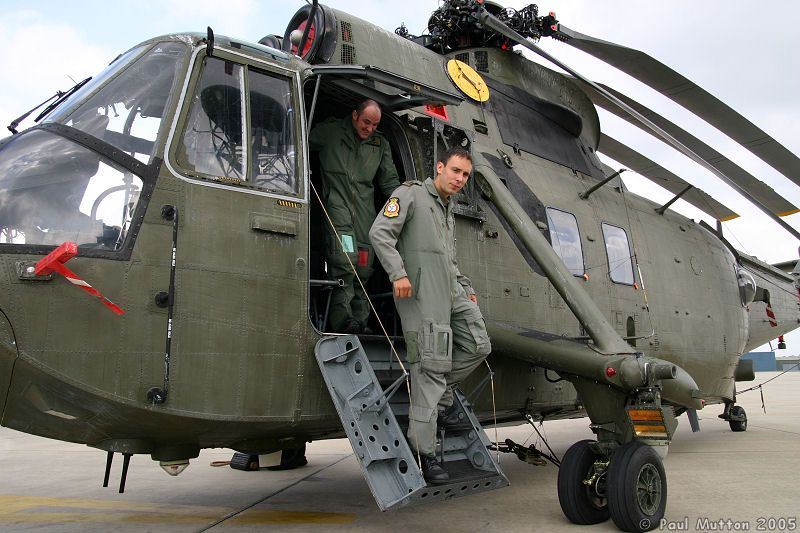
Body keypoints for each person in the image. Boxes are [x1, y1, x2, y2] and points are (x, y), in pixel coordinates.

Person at [369, 147, 491, 484]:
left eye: (465, 175)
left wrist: (464, 286)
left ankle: (445, 398)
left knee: (479, 344)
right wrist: (398, 274)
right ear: (439, 167)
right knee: (431, 369)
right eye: (455, 171)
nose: (459, 179)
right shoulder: (410, 194)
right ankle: (426, 455)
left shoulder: (448, 208)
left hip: (451, 291)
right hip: (422, 296)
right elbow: (380, 233)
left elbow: (448, 258)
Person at [309, 99, 401, 334]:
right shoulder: (331, 133)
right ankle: (343, 319)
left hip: (365, 212)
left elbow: (389, 181)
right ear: (354, 116)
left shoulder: (380, 144)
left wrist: (401, 208)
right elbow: (299, 139)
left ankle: (360, 321)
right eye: (366, 122)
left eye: (374, 124)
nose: (369, 129)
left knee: (364, 265)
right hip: (337, 207)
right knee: (344, 260)